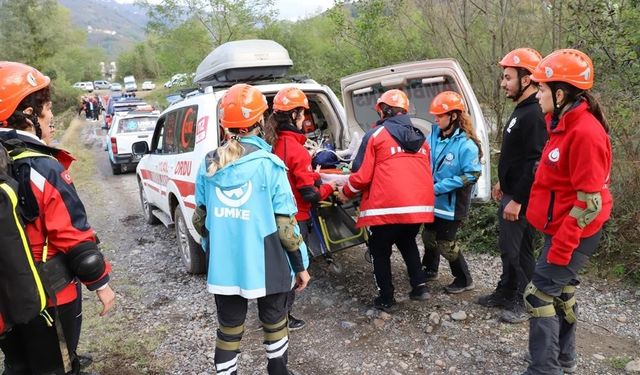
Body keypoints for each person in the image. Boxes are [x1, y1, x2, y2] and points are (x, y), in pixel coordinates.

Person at [0, 61, 115, 375]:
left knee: (18, 365)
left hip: (6, 301)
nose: (50, 116)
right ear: (27, 115)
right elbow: (74, 238)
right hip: (50, 298)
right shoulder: (42, 168)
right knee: (56, 367)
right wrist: (101, 283)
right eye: (46, 108)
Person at [194, 83, 310, 375]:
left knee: (229, 329)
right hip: (267, 263)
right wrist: (301, 265)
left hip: (223, 265)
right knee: (274, 323)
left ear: (225, 125)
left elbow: (200, 220)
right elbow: (286, 227)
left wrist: (213, 250)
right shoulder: (270, 166)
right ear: (260, 121)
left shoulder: (208, 166)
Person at [520, 49, 613, 375]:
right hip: (560, 227)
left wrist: (560, 248)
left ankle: (544, 369)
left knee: (538, 296)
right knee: (562, 293)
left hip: (573, 232)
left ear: (560, 94)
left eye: (542, 89)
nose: (538, 94)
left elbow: (590, 203)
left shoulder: (585, 132)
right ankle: (563, 360)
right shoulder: (560, 123)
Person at [338, 89, 434, 311]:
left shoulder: (376, 135)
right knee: (408, 242)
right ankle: (420, 287)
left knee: (379, 251)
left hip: (386, 207)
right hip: (418, 207)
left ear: (384, 110)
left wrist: (346, 191)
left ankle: (387, 299)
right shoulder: (421, 139)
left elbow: (360, 174)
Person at [477, 48, 547, 324]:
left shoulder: (534, 115)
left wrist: (517, 198)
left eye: (507, 77)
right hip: (511, 192)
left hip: (521, 198)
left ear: (526, 79)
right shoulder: (522, 110)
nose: (503, 83)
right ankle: (506, 291)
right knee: (509, 248)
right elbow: (516, 155)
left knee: (518, 251)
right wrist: (501, 182)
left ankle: (522, 299)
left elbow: (534, 162)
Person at [264, 87, 336, 331]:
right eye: (302, 113)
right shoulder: (296, 149)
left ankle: (276, 314)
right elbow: (309, 195)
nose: (304, 118)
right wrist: (329, 188)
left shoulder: (271, 144)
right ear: (294, 114)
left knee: (280, 266)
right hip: (297, 218)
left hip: (272, 216)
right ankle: (282, 318)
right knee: (296, 269)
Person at [421, 91, 482, 294]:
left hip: (452, 204)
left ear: (454, 116)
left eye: (440, 115)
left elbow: (472, 175)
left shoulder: (467, 145)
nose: (435, 119)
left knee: (446, 243)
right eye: (435, 115)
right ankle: (430, 269)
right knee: (428, 237)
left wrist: (439, 187)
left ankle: (464, 279)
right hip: (432, 201)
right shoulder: (433, 137)